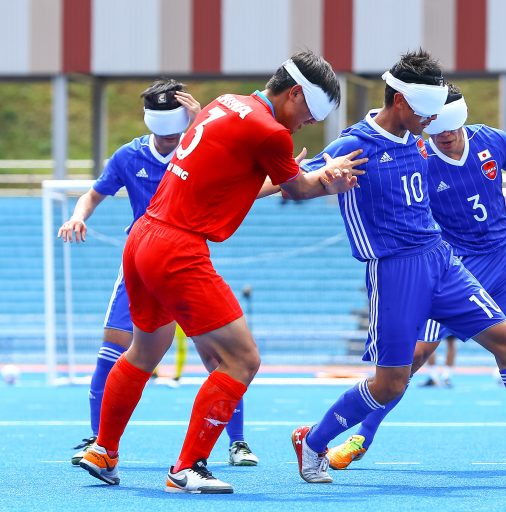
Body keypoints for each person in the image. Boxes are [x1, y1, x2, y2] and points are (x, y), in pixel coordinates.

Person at [77, 51, 365, 494]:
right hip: (178, 248)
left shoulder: (225, 103)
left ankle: (103, 449)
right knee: (242, 359)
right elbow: (298, 189)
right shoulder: (271, 132)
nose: (306, 124)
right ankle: (187, 466)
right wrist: (330, 177)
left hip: (143, 238)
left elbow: (235, 181)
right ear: (294, 94)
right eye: (309, 114)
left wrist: (299, 173)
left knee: (143, 351)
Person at [292, 50, 506, 485]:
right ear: (401, 100)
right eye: (426, 111)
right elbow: (295, 186)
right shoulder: (353, 145)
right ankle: (313, 440)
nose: (434, 122)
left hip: (442, 260)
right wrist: (318, 180)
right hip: (395, 273)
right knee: (391, 383)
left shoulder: (420, 138)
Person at [59, 79, 257, 468]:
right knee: (114, 348)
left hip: (185, 261)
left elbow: (246, 184)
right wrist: (77, 216)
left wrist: (288, 181)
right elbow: (93, 194)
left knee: (220, 356)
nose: (168, 139)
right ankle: (99, 440)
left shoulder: (199, 148)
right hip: (141, 264)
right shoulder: (129, 156)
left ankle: (238, 441)